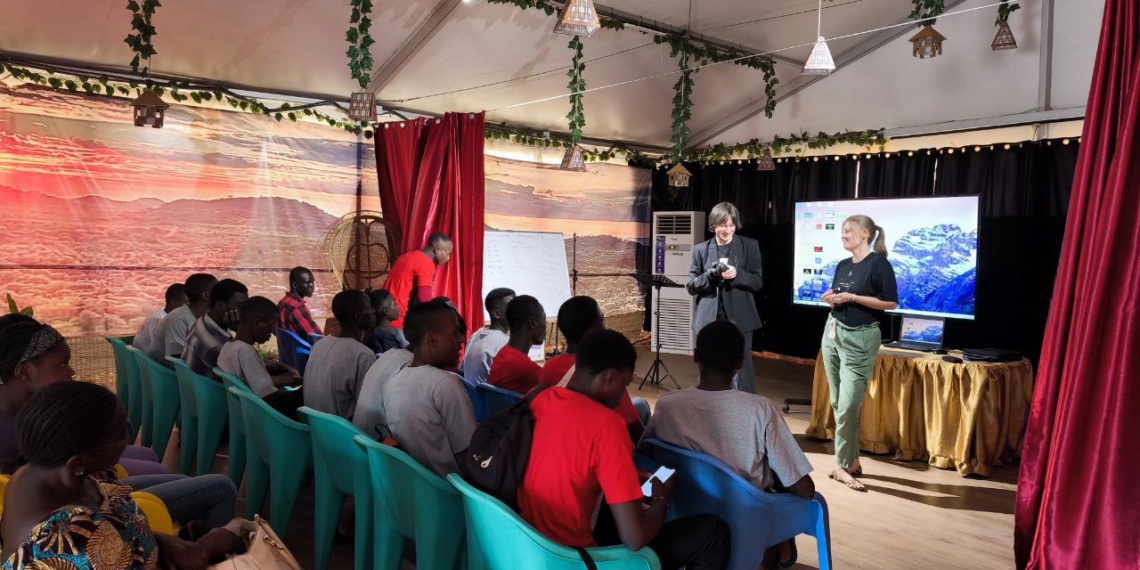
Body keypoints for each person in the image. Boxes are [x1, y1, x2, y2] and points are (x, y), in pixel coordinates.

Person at [0, 317, 239, 535]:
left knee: (168, 472)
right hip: (86, 504)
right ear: (24, 371)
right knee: (220, 488)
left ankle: (190, 533)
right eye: (62, 365)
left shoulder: (26, 410)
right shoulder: (10, 436)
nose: (71, 372)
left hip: (89, 492)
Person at [518, 330, 732, 569]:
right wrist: (662, 498)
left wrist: (624, 478)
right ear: (610, 377)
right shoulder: (606, 425)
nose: (624, 394)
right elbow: (635, 538)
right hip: (574, 558)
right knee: (714, 533)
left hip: (527, 544)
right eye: (626, 384)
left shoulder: (539, 397)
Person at [0, 381, 250, 569]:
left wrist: (161, 542)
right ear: (78, 463)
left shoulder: (40, 474)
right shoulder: (74, 542)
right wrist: (206, 547)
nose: (127, 441)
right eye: (120, 435)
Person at [642, 321, 814, 568]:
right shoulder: (760, 410)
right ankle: (777, 550)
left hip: (686, 518)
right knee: (778, 480)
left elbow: (645, 453)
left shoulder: (667, 406)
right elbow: (805, 489)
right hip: (747, 519)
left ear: (696, 356)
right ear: (741, 363)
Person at [819, 215, 898, 492]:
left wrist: (852, 298)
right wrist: (830, 299)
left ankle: (842, 466)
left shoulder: (879, 264)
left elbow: (890, 302)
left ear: (865, 234)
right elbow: (838, 299)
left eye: (848, 231)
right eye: (842, 231)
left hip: (861, 339)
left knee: (848, 406)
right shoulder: (842, 265)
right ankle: (851, 461)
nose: (843, 235)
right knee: (838, 402)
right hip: (833, 334)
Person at [378, 301, 475, 477]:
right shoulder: (446, 384)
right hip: (448, 486)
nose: (462, 339)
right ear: (431, 339)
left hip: (417, 482)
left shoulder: (395, 380)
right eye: (455, 333)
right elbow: (468, 456)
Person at [539, 296, 650, 441]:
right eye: (602, 321)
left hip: (562, 434)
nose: (605, 326)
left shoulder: (549, 367)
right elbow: (636, 432)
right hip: (598, 437)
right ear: (593, 332)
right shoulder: (605, 374)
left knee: (640, 404)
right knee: (642, 406)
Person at [686, 202, 763, 394]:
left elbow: (757, 281)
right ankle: (709, 403)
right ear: (714, 225)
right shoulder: (701, 250)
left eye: (731, 225)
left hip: (740, 318)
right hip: (708, 320)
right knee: (708, 365)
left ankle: (744, 405)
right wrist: (709, 276)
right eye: (722, 225)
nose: (727, 230)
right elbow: (691, 286)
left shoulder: (749, 246)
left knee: (742, 367)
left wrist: (738, 274)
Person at [217, 296, 304, 418]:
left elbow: (258, 379)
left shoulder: (229, 346)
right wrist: (301, 391)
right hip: (264, 415)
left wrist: (296, 380)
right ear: (257, 323)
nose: (272, 333)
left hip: (243, 410)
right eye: (271, 327)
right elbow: (269, 398)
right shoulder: (246, 351)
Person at [302, 290, 377, 421]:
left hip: (314, 423)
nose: (374, 311)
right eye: (370, 308)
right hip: (341, 429)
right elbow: (366, 408)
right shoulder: (363, 355)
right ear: (357, 316)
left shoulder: (320, 344)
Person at [385, 234, 454, 346]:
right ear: (437, 250)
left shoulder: (409, 256)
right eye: (448, 253)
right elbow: (424, 298)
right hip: (397, 322)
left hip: (385, 319)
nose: (448, 258)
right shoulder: (425, 263)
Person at [182, 279, 247, 377]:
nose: (246, 311)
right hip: (214, 387)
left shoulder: (202, 320)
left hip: (197, 384)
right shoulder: (216, 346)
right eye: (240, 306)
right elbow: (250, 374)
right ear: (220, 305)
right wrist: (241, 331)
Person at [486, 295, 546, 394]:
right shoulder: (527, 370)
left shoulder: (502, 354)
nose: (545, 325)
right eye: (543, 318)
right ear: (531, 323)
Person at [151, 273, 217, 360]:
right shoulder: (177, 319)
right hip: (168, 368)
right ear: (205, 295)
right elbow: (178, 361)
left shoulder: (208, 318)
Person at [459, 288, 515, 387]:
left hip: (471, 395)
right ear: (497, 314)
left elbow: (461, 372)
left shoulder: (476, 335)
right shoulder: (504, 343)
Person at [133, 283, 188, 357]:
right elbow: (162, 351)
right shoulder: (159, 320)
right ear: (174, 302)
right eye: (187, 303)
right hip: (149, 362)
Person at [277, 266, 323, 339]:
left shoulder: (283, 302)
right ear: (295, 285)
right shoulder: (297, 307)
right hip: (304, 346)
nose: (312, 286)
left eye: (312, 282)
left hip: (289, 345)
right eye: (307, 283)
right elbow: (317, 338)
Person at [363, 289, 403, 354]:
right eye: (394, 304)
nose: (398, 306)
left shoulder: (374, 333)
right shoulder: (383, 338)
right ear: (386, 311)